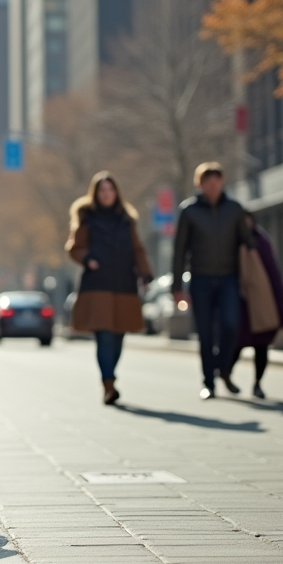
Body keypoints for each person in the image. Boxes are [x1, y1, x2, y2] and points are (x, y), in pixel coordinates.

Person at [66, 172, 153, 405]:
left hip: (124, 283)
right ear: (96, 194)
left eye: (110, 190)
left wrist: (145, 272)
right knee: (104, 335)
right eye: (102, 190)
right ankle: (108, 384)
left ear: (116, 193)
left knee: (118, 336)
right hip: (97, 285)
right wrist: (88, 259)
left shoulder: (126, 219)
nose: (107, 194)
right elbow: (74, 248)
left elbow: (138, 249)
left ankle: (109, 377)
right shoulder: (87, 219)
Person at [172, 162, 254, 400]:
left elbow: (247, 240)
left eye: (217, 180)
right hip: (200, 280)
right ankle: (209, 382)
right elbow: (180, 251)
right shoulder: (189, 211)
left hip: (229, 278)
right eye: (208, 180)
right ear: (200, 184)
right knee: (205, 334)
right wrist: (177, 287)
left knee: (231, 325)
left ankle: (223, 368)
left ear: (222, 182)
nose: (213, 184)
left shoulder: (234, 209)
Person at [232, 215, 283, 398]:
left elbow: (274, 274)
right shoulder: (231, 245)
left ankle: (257, 384)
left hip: (263, 304)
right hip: (241, 305)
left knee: (262, 347)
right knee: (235, 346)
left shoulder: (262, 241)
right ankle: (224, 373)